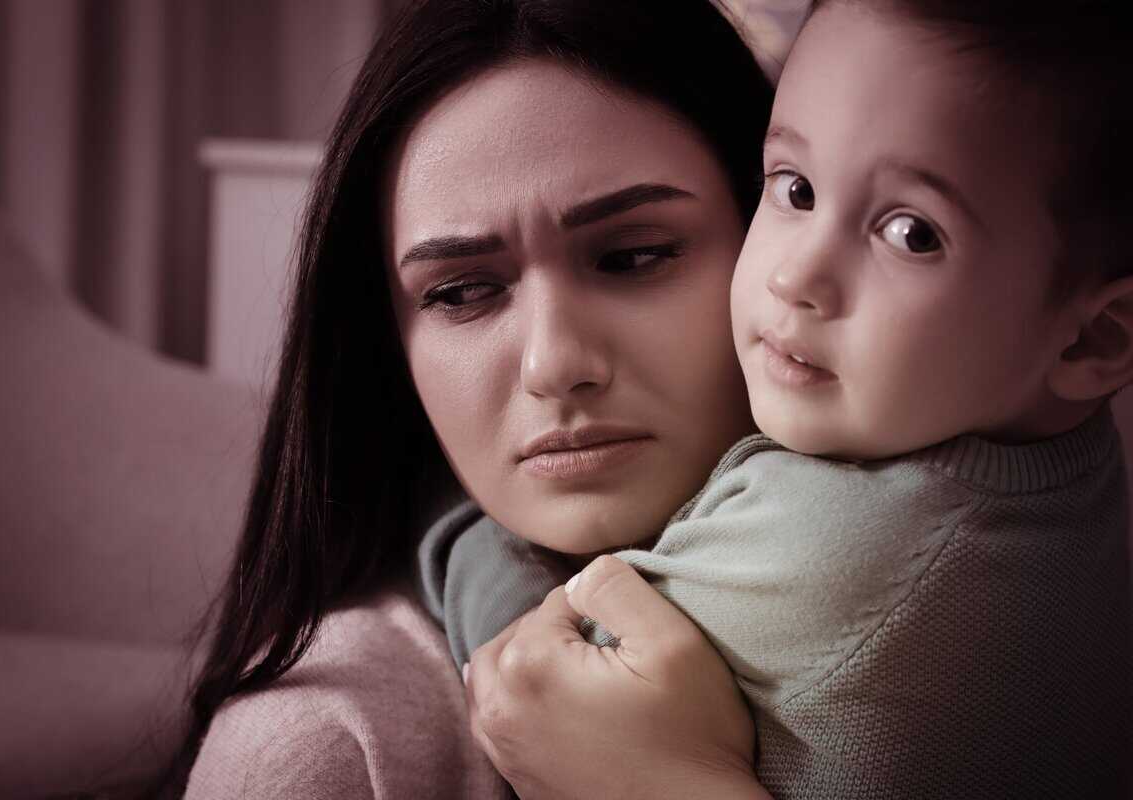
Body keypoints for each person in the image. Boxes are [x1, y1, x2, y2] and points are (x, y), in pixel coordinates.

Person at [439, 0, 1133, 797]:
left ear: (1096, 342)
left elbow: (527, 687)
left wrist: (463, 533)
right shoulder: (1054, 456)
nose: (794, 276)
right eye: (795, 188)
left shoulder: (837, 550)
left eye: (912, 234)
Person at [169, 0, 779, 797]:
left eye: (632, 257)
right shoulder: (324, 750)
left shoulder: (973, 593)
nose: (553, 363)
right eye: (461, 292)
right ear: (390, 349)